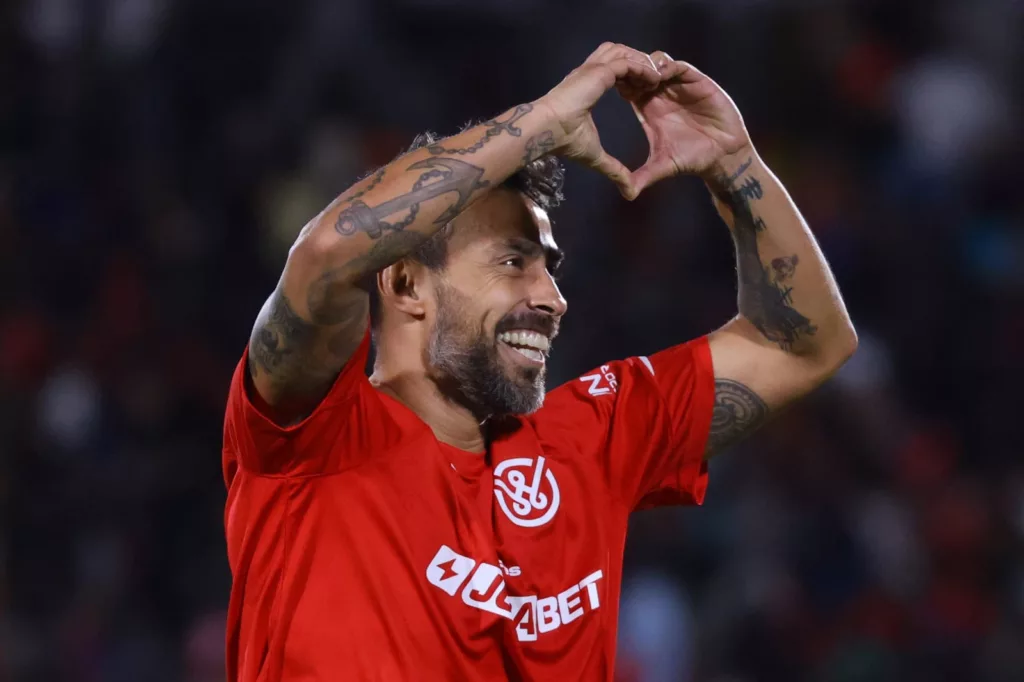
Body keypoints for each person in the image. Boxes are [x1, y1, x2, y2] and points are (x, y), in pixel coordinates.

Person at [221, 43, 857, 681]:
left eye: (548, 266)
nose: (553, 299)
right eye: (511, 261)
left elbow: (803, 342)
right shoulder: (310, 437)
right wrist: (544, 120)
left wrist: (733, 163)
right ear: (406, 284)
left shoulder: (590, 439)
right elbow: (327, 253)